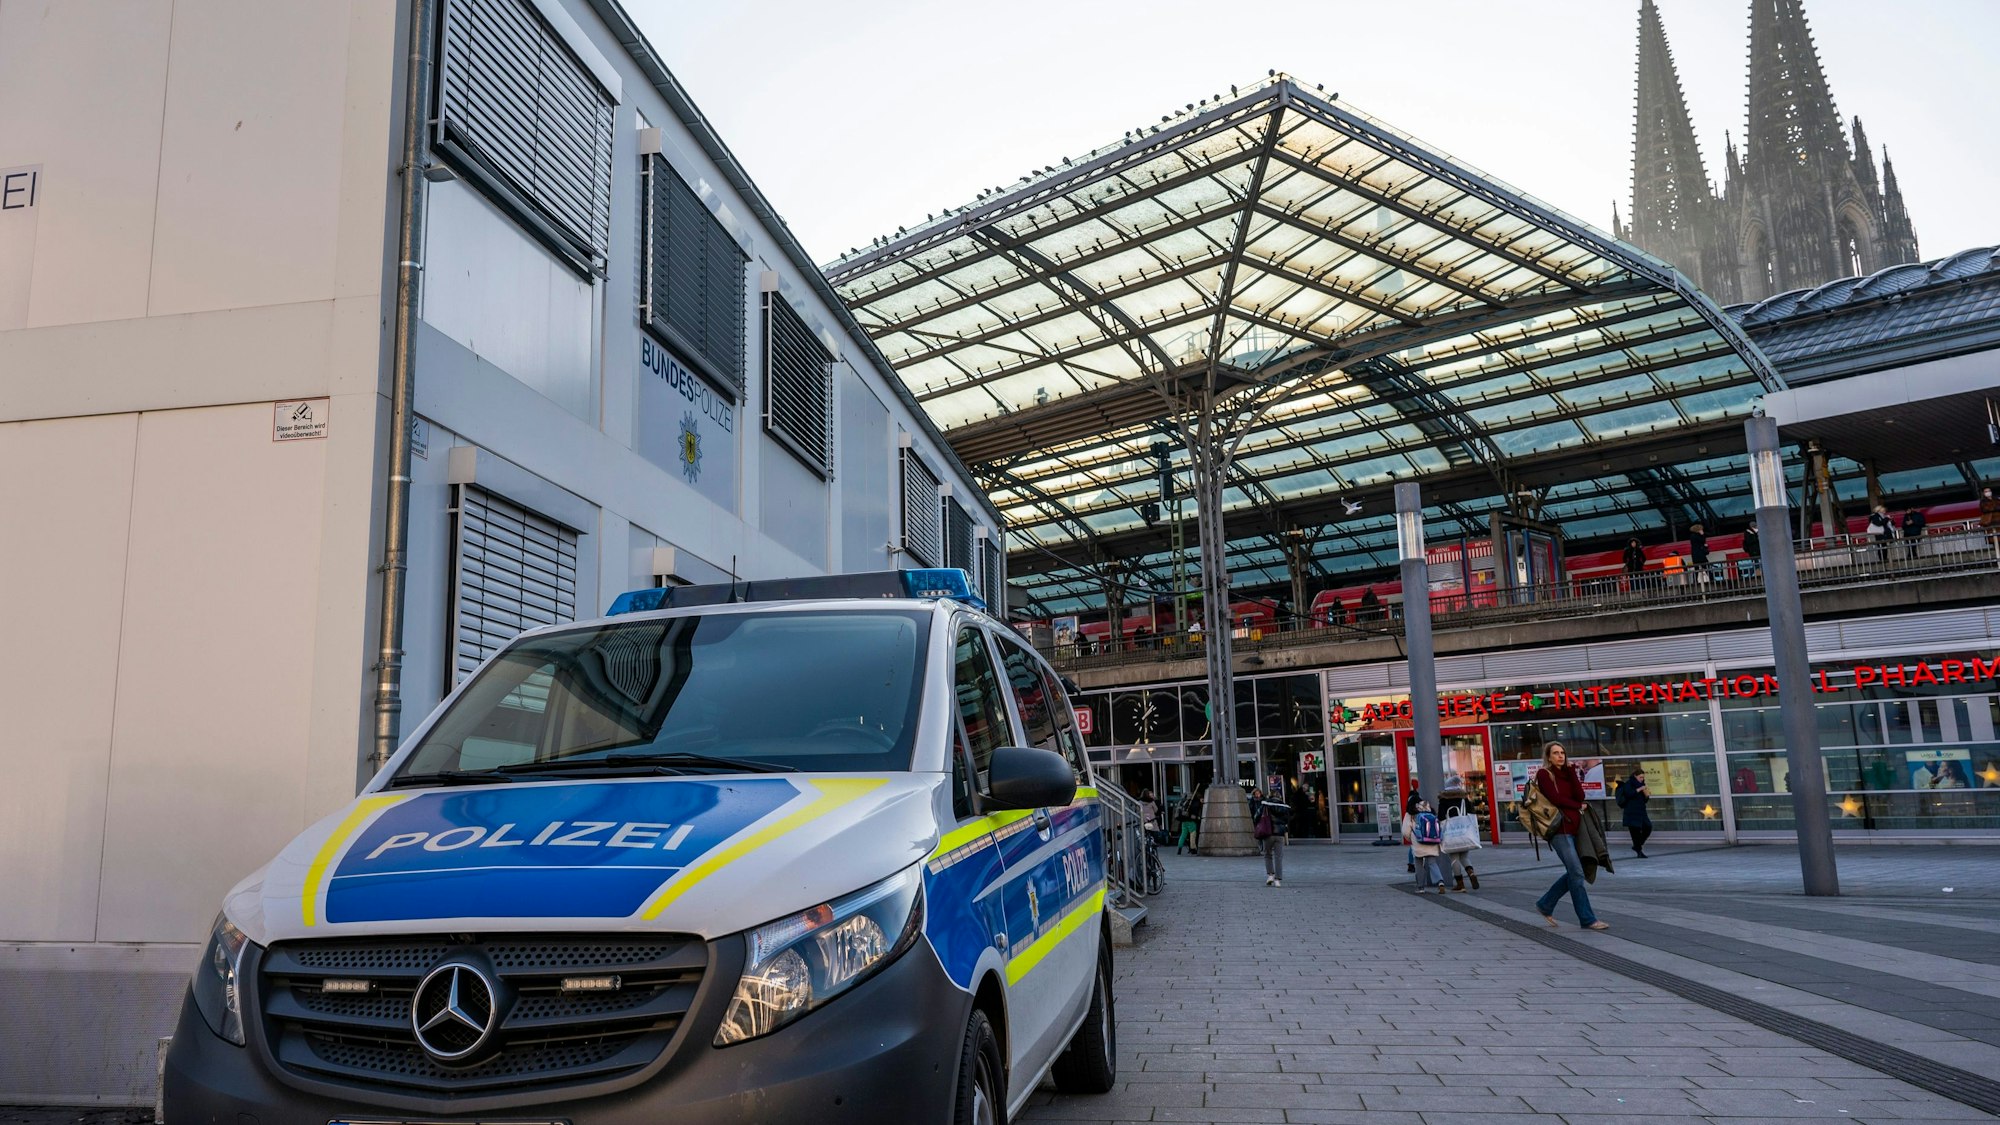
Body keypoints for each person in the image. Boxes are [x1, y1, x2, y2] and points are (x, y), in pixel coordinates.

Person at [1533, 742, 1609, 930]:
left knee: (1577, 871)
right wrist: (1576, 806)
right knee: (1576, 872)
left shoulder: (1568, 773)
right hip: (1559, 831)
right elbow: (1555, 799)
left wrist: (1572, 773)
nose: (1560, 756)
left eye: (1563, 753)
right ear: (1548, 757)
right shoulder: (1544, 774)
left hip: (1577, 830)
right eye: (1556, 753)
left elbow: (1580, 795)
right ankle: (1588, 919)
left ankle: (1546, 904)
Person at [1437, 775, 1481, 892]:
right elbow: (1471, 812)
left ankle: (1460, 884)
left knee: (1454, 858)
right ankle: (1471, 873)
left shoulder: (1444, 799)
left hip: (1451, 833)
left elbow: (1441, 816)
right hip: (1464, 831)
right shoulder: (1464, 798)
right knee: (1464, 856)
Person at [1248, 784, 1292, 887]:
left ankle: (1270, 875)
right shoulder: (1284, 807)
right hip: (1280, 835)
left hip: (1268, 833)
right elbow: (1287, 820)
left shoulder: (1266, 804)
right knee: (1278, 857)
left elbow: (1256, 816)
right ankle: (1278, 880)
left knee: (1267, 854)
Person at [1408, 799, 1446, 894]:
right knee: (1432, 864)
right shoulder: (1433, 816)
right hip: (1432, 843)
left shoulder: (1415, 817)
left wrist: (1412, 838)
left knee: (1419, 865)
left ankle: (1420, 887)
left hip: (1419, 844)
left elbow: (1407, 832)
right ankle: (1440, 882)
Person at [1615, 767, 1653, 858]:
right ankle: (1639, 851)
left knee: (1648, 827)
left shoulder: (1642, 784)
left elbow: (1643, 800)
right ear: (1635, 776)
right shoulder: (1629, 784)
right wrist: (1639, 789)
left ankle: (1637, 845)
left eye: (1643, 777)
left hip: (1641, 811)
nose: (1642, 779)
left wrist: (1646, 796)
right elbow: (1629, 794)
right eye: (1640, 777)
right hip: (1631, 812)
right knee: (1635, 832)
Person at [1175, 783, 1205, 854]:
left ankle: (1179, 848)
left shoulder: (1187, 801)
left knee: (1183, 834)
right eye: (1202, 799)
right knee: (1193, 834)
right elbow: (1194, 812)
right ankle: (1193, 848)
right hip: (1191, 821)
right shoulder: (1196, 802)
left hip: (1184, 820)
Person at [1403, 782, 1423, 873]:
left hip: (1411, 828)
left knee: (1412, 846)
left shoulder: (1409, 806)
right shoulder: (1418, 800)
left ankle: (1411, 864)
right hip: (1418, 827)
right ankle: (1417, 863)